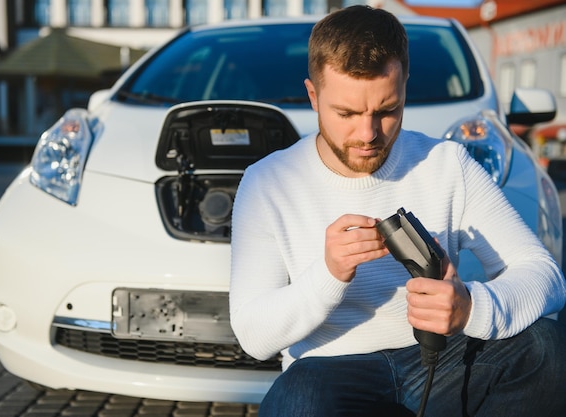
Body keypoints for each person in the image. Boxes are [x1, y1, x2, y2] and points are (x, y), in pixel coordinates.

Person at [229, 5, 566, 417]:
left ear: (406, 85)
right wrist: (328, 275)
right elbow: (253, 336)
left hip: (439, 362)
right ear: (314, 96)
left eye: (387, 110)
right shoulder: (268, 182)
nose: (368, 134)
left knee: (545, 348)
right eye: (347, 114)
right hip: (327, 371)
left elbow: (544, 275)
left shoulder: (448, 163)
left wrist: (471, 307)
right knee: (299, 400)